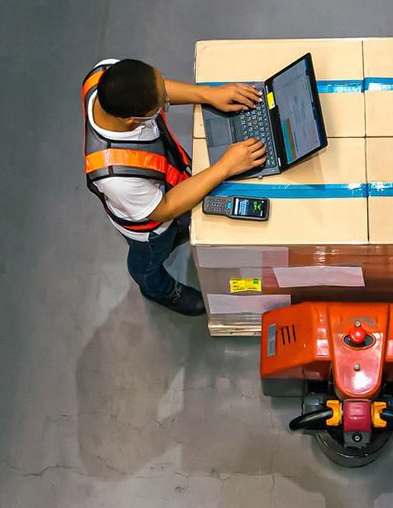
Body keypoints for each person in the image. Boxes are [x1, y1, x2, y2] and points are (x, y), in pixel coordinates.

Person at [82, 58, 267, 316]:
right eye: (161, 106)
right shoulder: (116, 175)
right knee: (148, 261)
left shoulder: (104, 74)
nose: (165, 102)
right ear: (130, 121)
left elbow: (158, 89)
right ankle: (158, 290)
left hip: (168, 183)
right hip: (151, 227)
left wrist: (208, 94)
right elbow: (164, 209)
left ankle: (178, 236)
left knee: (180, 228)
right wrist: (226, 167)